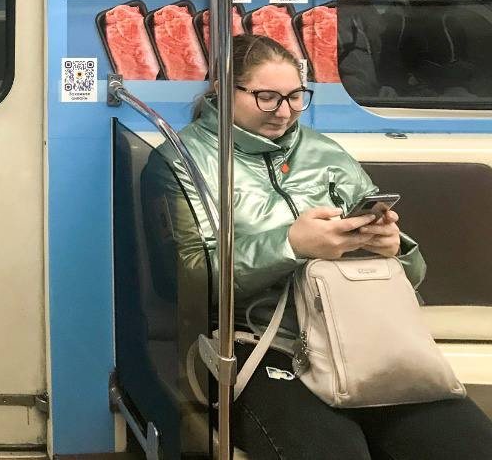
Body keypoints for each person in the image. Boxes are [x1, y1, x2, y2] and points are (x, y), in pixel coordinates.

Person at [163, 33, 492, 459]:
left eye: (295, 97)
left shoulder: (326, 154)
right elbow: (190, 279)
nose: (284, 112)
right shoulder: (185, 160)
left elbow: (411, 279)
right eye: (267, 98)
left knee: (468, 444)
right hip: (257, 342)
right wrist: (290, 246)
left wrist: (396, 250)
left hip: (359, 334)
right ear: (223, 91)